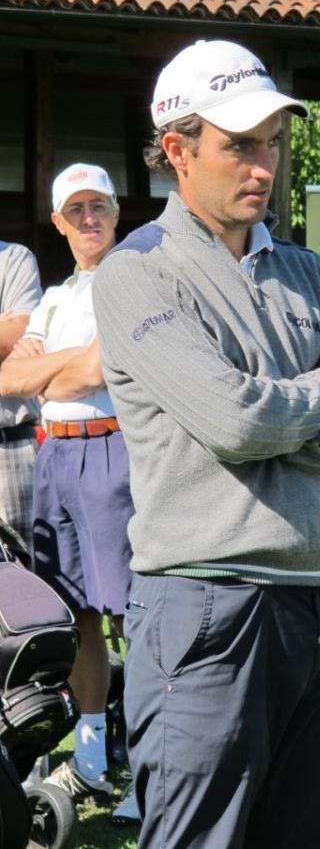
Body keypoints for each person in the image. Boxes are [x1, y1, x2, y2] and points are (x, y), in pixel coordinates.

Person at [92, 38, 320, 849]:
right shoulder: (138, 273)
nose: (262, 166)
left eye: (270, 143)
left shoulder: (310, 273)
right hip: (207, 609)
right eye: (238, 146)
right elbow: (236, 424)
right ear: (177, 152)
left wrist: (283, 407)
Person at [0, 164, 134, 812]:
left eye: (98, 207)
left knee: (135, 617)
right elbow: (11, 378)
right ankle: (88, 758)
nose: (88, 219)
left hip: (117, 455)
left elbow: (93, 372)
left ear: (115, 213)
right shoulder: (54, 298)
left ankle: (151, 766)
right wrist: (62, 367)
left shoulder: (137, 282)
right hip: (57, 459)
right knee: (77, 614)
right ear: (58, 221)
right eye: (75, 209)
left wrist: (50, 370)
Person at [0, 241, 42, 552]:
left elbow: (15, 336)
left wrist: (9, 332)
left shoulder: (14, 258)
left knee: (25, 573)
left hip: (9, 448)